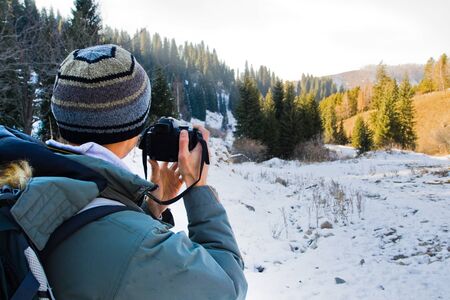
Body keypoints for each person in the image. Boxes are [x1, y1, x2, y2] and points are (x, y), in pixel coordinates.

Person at [20, 44, 247, 299]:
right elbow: (227, 286)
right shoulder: (138, 245)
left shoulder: (26, 178)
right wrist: (198, 188)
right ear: (135, 124)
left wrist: (150, 209)